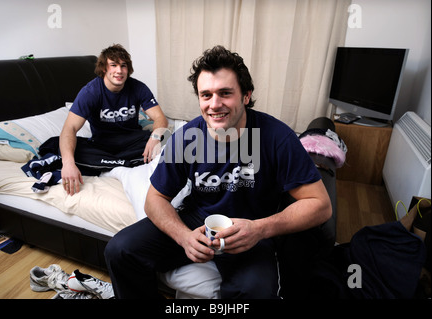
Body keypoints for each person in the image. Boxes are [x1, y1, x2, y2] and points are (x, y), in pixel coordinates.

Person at [104, 45, 332, 298]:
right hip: (198, 223)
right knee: (120, 250)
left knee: (255, 291)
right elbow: (155, 199)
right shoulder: (188, 138)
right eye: (206, 95)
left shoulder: (277, 137)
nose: (215, 104)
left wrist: (260, 229)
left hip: (251, 231)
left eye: (225, 93)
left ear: (246, 95)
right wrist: (183, 237)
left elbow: (320, 205)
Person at [59, 44, 168, 195]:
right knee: (61, 148)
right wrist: (68, 163)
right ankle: (126, 164)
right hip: (102, 145)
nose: (119, 70)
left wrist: (155, 137)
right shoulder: (90, 92)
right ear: (104, 68)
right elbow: (69, 128)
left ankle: (107, 166)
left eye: (123, 66)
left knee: (168, 141)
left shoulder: (138, 87)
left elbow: (160, 118)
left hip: (132, 141)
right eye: (113, 65)